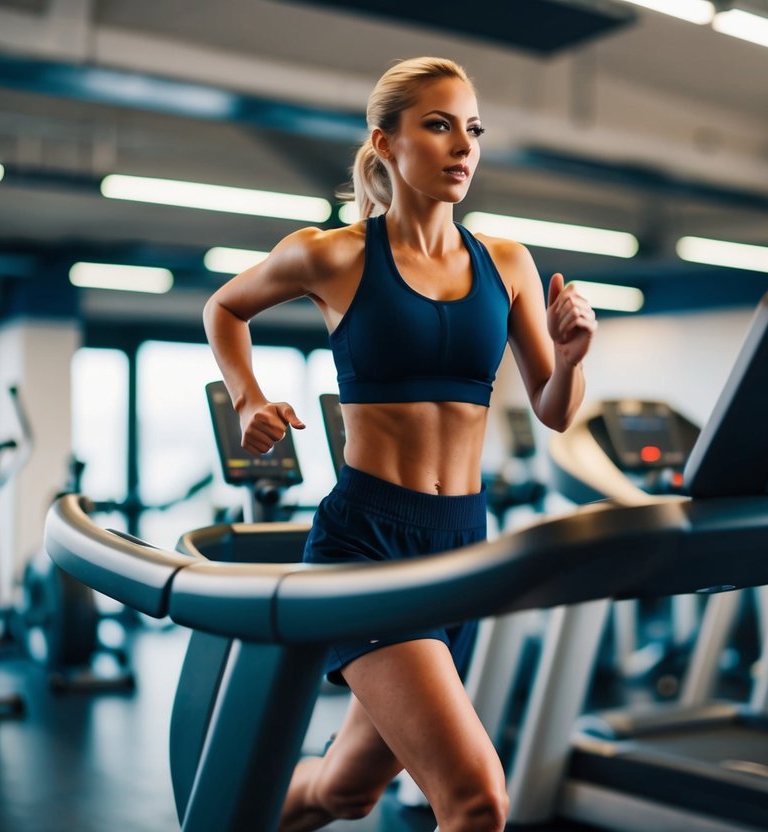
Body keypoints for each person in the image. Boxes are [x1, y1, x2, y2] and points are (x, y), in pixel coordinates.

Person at [203, 56, 596, 832]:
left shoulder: (506, 264)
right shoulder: (336, 253)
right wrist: (247, 397)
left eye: (473, 130)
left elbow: (554, 412)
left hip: (461, 550)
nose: (463, 147)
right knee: (477, 802)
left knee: (344, 791)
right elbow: (225, 307)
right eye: (440, 125)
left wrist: (573, 358)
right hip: (367, 546)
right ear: (385, 143)